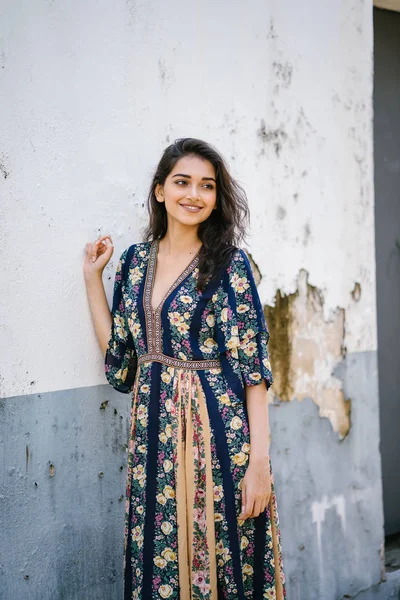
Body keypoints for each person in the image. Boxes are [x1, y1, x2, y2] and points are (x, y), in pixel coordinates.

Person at [83, 138, 286, 599]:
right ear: (159, 191)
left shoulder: (231, 266)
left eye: (207, 186)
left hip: (220, 436)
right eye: (182, 182)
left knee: (226, 556)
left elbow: (253, 369)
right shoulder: (134, 263)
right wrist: (93, 279)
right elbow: (122, 361)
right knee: (162, 560)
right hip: (153, 439)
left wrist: (259, 462)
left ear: (216, 199)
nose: (194, 194)